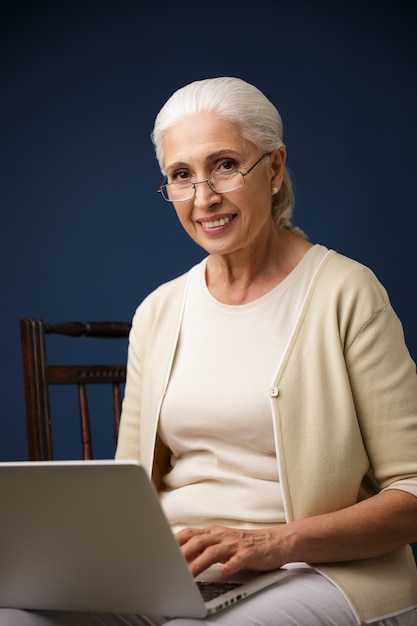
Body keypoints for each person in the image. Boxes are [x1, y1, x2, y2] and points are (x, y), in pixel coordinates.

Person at [3, 77, 417, 625]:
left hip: (316, 570)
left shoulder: (346, 292)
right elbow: (127, 485)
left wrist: (270, 543)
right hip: (174, 570)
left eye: (224, 165)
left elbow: (411, 490)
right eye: (181, 176)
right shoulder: (159, 311)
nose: (204, 198)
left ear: (273, 169)